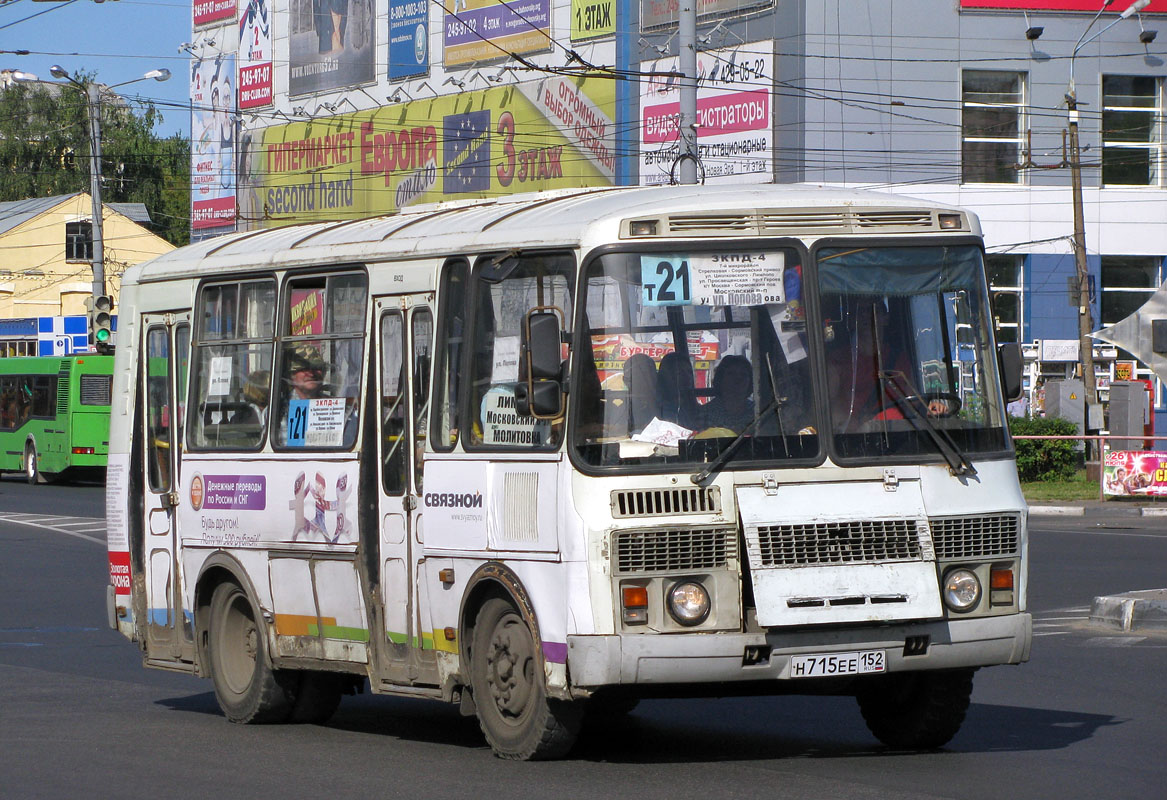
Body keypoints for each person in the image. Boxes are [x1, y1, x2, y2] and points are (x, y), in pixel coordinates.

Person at [702, 355, 755, 434]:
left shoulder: (758, 412)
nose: (738, 378)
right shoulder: (705, 414)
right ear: (720, 378)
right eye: (731, 373)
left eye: (743, 374)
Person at [657, 351, 700, 430]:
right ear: (666, 376)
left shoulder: (696, 409)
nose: (687, 377)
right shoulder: (658, 408)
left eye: (689, 372)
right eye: (680, 373)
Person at [623, 353, 659, 434]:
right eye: (636, 376)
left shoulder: (665, 408)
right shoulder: (615, 411)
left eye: (646, 376)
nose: (643, 381)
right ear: (625, 380)